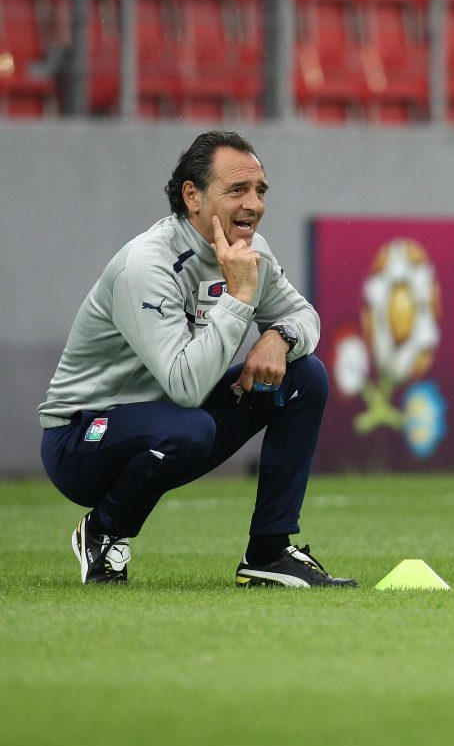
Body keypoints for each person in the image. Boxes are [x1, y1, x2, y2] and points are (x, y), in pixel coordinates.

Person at [38, 130, 356, 589]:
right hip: (82, 438)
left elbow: (303, 315)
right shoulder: (147, 264)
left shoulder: (252, 253)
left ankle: (269, 552)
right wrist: (240, 298)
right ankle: (103, 532)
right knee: (190, 428)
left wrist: (280, 336)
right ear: (193, 196)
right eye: (237, 190)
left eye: (260, 191)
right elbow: (185, 386)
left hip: (174, 422)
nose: (253, 204)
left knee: (305, 377)